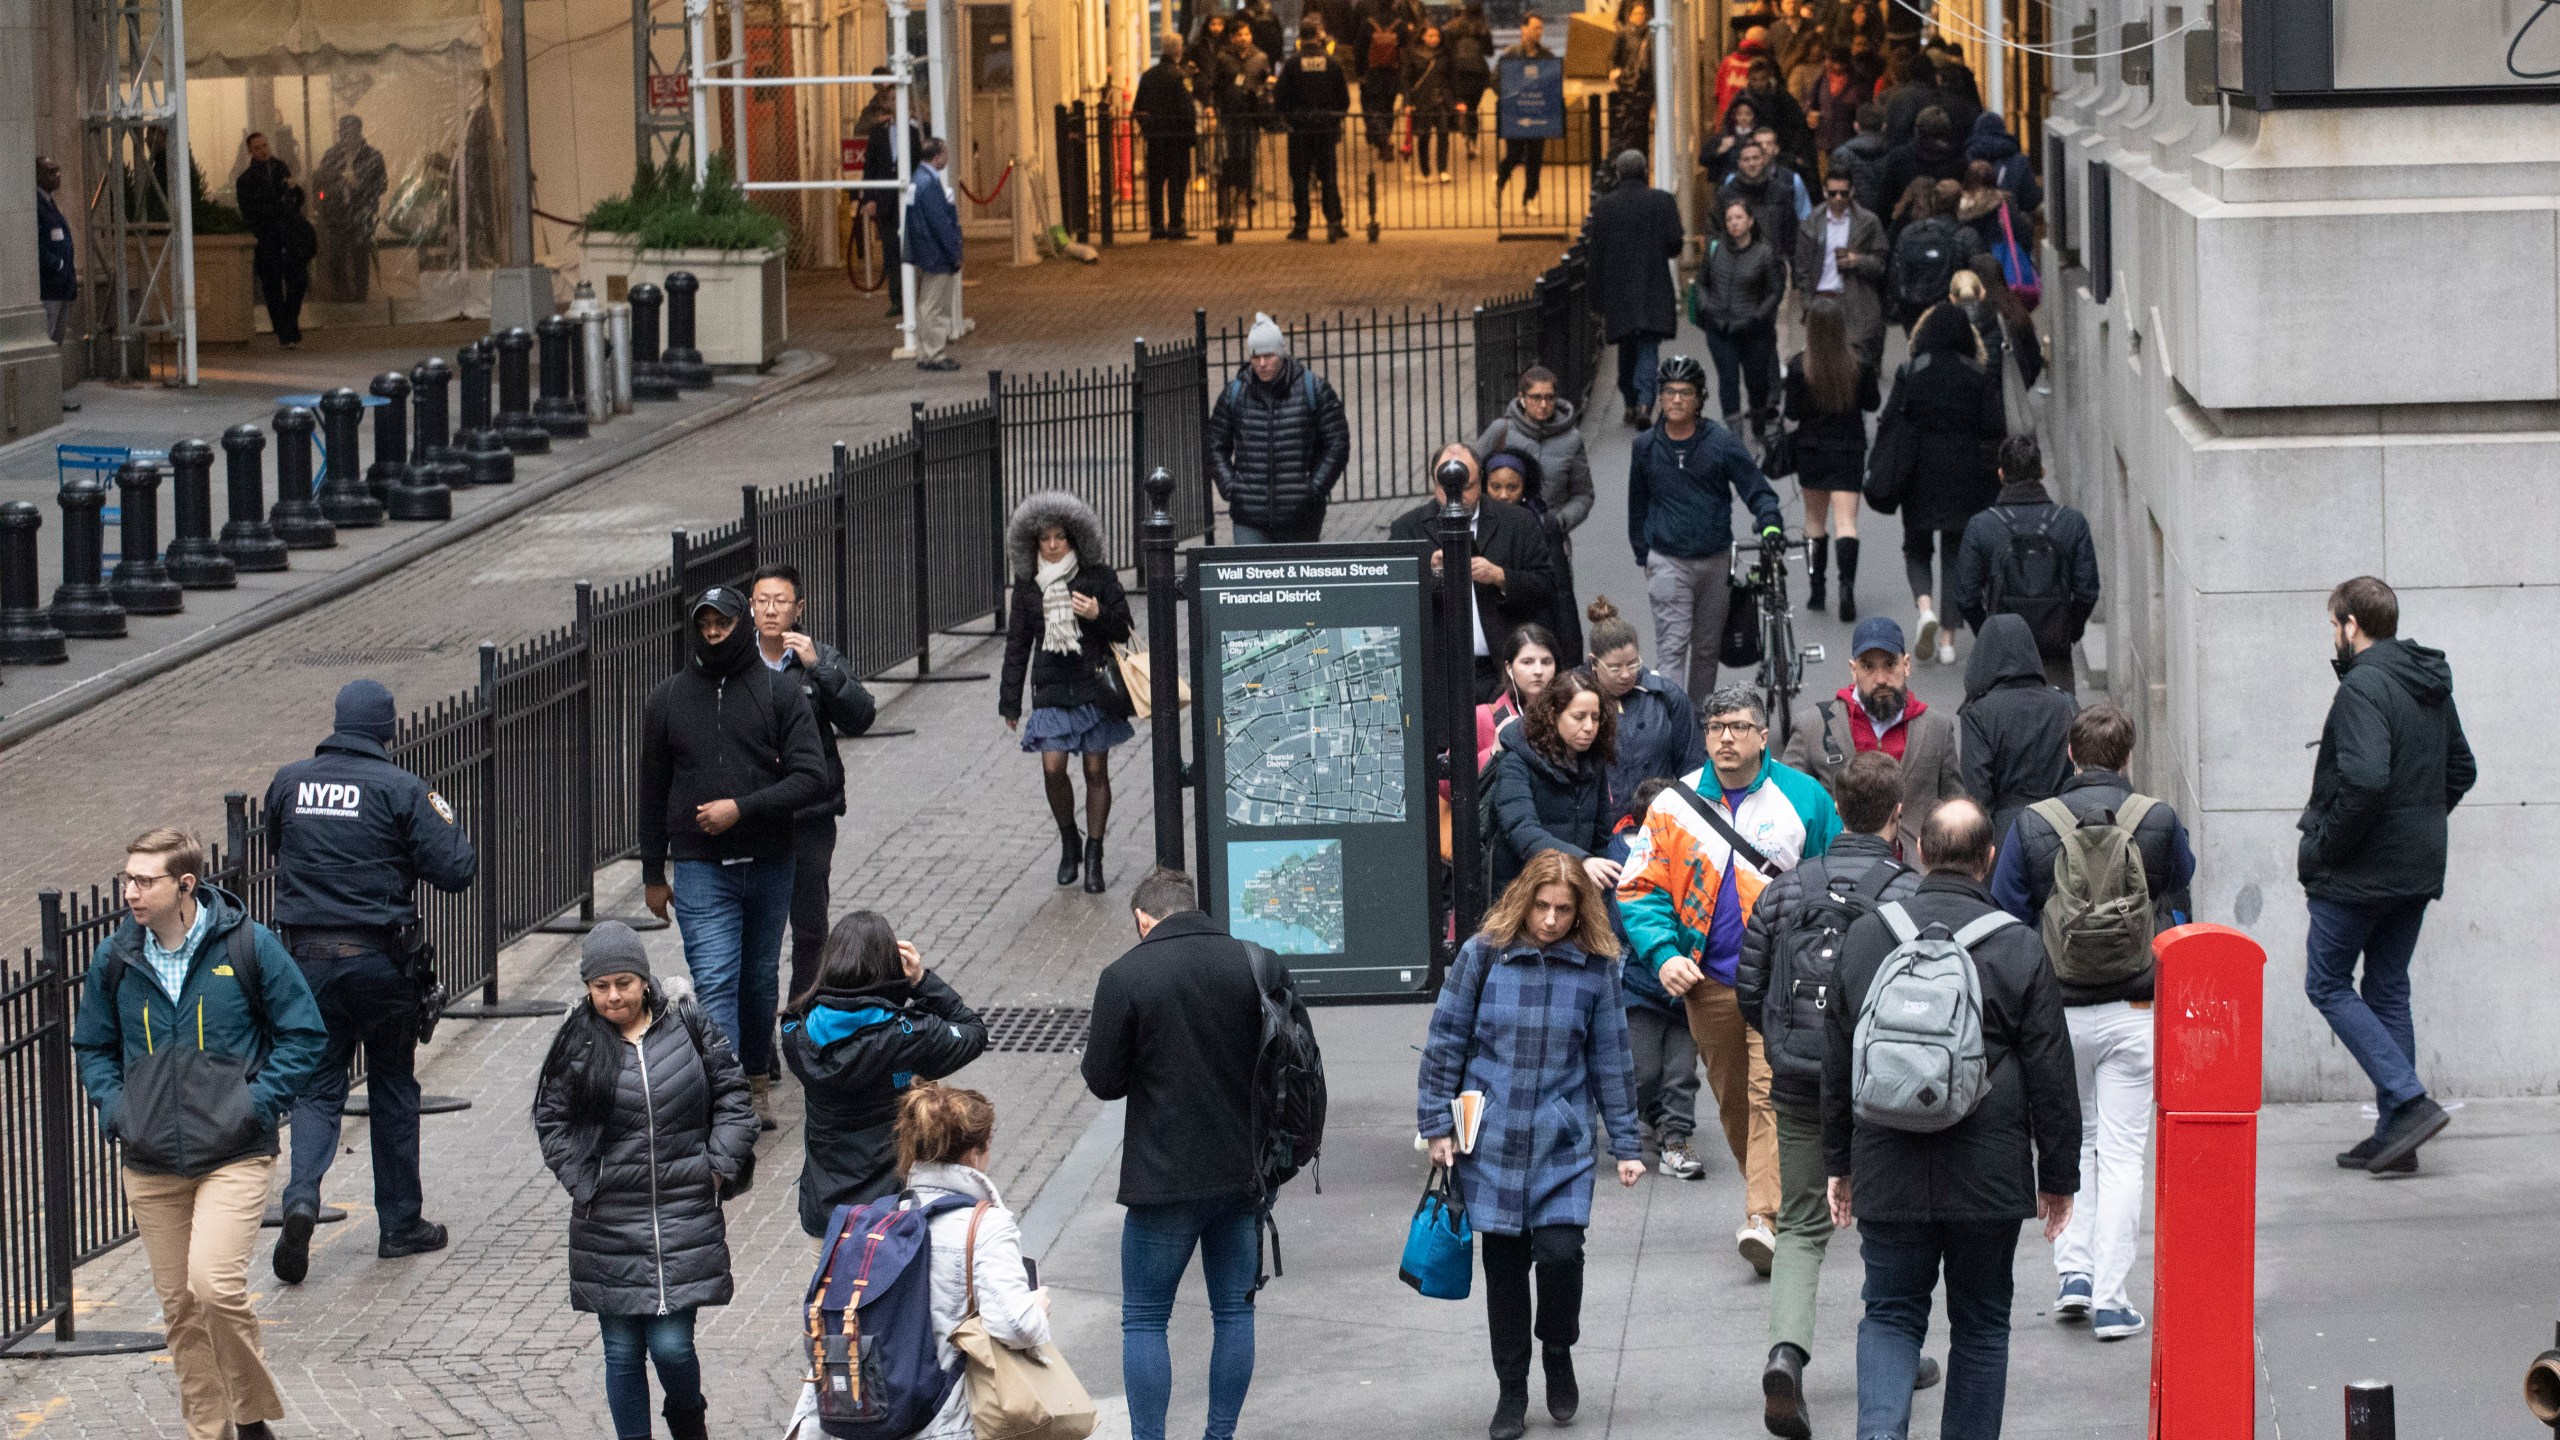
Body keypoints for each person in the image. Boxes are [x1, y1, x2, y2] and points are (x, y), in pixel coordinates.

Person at [1821, 797, 2079, 1440]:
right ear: (1988, 859)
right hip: (1988, 1170)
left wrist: (1840, 1163)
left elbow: (1838, 1059)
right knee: (1983, 1323)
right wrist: (2058, 1177)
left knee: (1890, 1313)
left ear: (1918, 852)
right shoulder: (2018, 944)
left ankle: (1880, 1433)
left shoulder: (1868, 936)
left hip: (1886, 1157)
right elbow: (2051, 1071)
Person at [71, 828, 327, 1440]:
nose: (130, 892)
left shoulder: (248, 945)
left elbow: (304, 1033)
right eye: (127, 879)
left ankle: (251, 1417)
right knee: (182, 1313)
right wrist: (118, 1110)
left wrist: (254, 1105)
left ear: (185, 885)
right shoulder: (115, 958)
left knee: (213, 1287)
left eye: (145, 881)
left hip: (233, 1153)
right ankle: (209, 1432)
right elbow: (93, 1045)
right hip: (151, 1161)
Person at [1738, 753, 1935, 1434]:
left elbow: (1749, 988)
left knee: (1799, 1225)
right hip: (1883, 1085)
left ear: (1837, 810)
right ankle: (1896, 1346)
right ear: (1897, 813)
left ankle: (1786, 1355)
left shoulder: (1787, 889)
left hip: (1800, 1078)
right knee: (1889, 1222)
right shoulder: (1908, 893)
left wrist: (1782, 1043)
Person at [1418, 851, 1645, 1440]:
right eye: (1542, 906)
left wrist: (1626, 1143)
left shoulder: (1596, 967)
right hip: (1491, 1139)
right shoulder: (1483, 955)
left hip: (1560, 1142)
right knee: (1505, 1269)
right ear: (1524, 900)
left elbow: (1612, 1058)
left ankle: (1558, 1348)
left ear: (1580, 911)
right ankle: (1512, 1388)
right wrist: (1437, 1125)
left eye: (1563, 910)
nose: (1549, 920)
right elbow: (1446, 1040)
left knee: (1562, 1255)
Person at [1619, 686, 1844, 1277]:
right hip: (1709, 983)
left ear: (1763, 736)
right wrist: (1662, 954)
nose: (1725, 737)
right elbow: (1640, 886)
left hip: (1783, 983)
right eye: (1716, 726)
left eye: (1739, 727)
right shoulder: (1675, 804)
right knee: (1735, 1101)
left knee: (1770, 1095)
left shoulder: (1804, 798)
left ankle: (1764, 1219)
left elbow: (1837, 877)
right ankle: (1780, 1199)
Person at [1987, 704, 2192, 1340]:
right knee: (2124, 1155)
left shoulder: (2032, 824)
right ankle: (2111, 1299)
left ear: (2070, 755)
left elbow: (2008, 912)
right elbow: (2179, 890)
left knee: (2072, 1143)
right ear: (2128, 757)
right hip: (2135, 1009)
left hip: (2058, 1014)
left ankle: (2073, 1274)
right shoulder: (2158, 820)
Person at [263, 678, 478, 1281]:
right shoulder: (402, 788)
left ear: (337, 722)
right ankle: (400, 1225)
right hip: (381, 963)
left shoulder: (289, 782)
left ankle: (302, 1198)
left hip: (305, 961)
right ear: (388, 730)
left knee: (316, 1086)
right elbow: (457, 869)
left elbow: (279, 847)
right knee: (391, 1084)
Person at [532, 924, 759, 1440]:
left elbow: (733, 1095)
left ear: (644, 979)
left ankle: (688, 1420)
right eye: (601, 986)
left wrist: (716, 1167)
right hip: (608, 1224)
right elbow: (552, 1121)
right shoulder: (577, 1042)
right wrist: (585, 1181)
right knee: (622, 1352)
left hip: (684, 1215)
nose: (614, 996)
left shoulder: (686, 1021)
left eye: (624, 983)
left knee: (672, 1347)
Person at [1083, 867, 1270, 1440]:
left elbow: (1104, 1081)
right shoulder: (1256, 963)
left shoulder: (1125, 976)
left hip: (1161, 1178)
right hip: (1241, 1173)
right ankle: (1220, 1435)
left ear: (1144, 919)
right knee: (1234, 1313)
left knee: (1144, 1319)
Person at [2298, 576, 2475, 1175]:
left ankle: (2408, 1099)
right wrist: (2417, 825)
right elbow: (2462, 769)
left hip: (2359, 872)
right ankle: (2397, 1135)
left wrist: (2324, 845)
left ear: (2352, 625)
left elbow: (2367, 780)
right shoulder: (2428, 681)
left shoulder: (2363, 687)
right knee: (2387, 987)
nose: (2333, 636)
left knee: (2326, 982)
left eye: (2334, 624)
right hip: (2416, 867)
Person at [638, 585, 832, 1100]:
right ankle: (730, 1096)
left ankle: (755, 1077)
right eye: (704, 625)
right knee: (715, 979)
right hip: (701, 867)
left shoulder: (779, 693)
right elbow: (652, 791)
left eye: (721, 624)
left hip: (770, 862)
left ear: (739, 623)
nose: (713, 633)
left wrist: (741, 808)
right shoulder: (668, 699)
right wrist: (653, 874)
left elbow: (812, 777)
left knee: (759, 980)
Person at [781, 911, 989, 1236]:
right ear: (890, 966)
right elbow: (973, 1032)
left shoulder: (796, 1032)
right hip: (892, 1222)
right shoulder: (912, 1036)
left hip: (826, 1219)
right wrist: (921, 981)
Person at [885, 1083, 1056, 1440]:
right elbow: (1015, 1325)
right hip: (943, 1419)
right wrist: (1037, 1307)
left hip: (880, 1409)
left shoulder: (886, 1219)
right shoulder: (986, 1226)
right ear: (973, 1155)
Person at [746, 564, 879, 1017]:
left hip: (810, 814)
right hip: (755, 816)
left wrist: (819, 670)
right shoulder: (738, 662)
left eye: (780, 602)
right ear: (751, 607)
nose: (771, 611)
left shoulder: (820, 657)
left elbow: (861, 717)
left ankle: (799, 1022)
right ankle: (757, 1033)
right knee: (757, 931)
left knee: (809, 928)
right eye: (762, 601)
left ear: (798, 609)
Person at [1624, 355, 1787, 709]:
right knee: (1673, 647)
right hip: (1668, 560)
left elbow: (1755, 488)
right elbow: (1637, 504)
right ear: (1660, 397)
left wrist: (1770, 521)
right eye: (1669, 392)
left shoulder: (1721, 442)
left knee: (1707, 648)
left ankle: (1699, 722)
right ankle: (1672, 724)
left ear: (1699, 398)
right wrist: (1644, 554)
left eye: (1685, 392)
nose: (1677, 399)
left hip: (1716, 561)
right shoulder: (1646, 447)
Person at [998, 490, 1136, 893]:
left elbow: (1124, 628)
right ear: (1034, 543)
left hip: (1094, 684)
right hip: (1051, 686)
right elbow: (1017, 645)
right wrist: (1010, 702)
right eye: (1045, 539)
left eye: (1060, 537)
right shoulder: (1028, 587)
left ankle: (1094, 855)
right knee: (1053, 768)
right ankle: (1068, 839)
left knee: (1095, 770)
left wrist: (1097, 613)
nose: (1053, 546)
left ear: (1074, 538)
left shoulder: (1098, 576)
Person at [1783, 616, 1964, 856]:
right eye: (1868, 667)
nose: (1880, 679)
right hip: (1840, 868)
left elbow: (1955, 807)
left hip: (1915, 868)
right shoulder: (1812, 726)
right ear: (1853, 670)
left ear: (1906, 665)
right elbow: (1786, 805)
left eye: (1890, 665)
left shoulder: (1937, 728)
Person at [1884, 304, 2004, 665]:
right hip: (1964, 473)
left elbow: (1890, 418)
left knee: (1916, 547)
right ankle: (1949, 641)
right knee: (1955, 552)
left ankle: (1925, 610)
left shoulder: (1911, 372)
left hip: (1918, 471)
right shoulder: (1977, 375)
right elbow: (1994, 427)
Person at [1389, 442, 1556, 701]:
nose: (1455, 496)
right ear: (1434, 484)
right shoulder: (1407, 528)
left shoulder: (1517, 522)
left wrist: (1499, 576)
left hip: (1501, 669)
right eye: (1446, 487)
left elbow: (1545, 584)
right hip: (1440, 673)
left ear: (1481, 482)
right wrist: (1430, 573)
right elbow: (1395, 599)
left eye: (1466, 487)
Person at [1605, 776, 1705, 1180]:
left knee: (1681, 1073)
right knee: (1642, 1070)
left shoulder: (1699, 854)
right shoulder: (1626, 859)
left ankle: (1676, 1139)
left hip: (1688, 985)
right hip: (1640, 983)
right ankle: (1632, 1127)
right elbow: (1624, 923)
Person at [1951, 436, 2101, 693]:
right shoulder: (2072, 523)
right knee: (2059, 715)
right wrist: (2067, 632)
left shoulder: (1981, 526)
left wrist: (1988, 634)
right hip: (2055, 654)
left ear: (2001, 474)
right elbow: (2087, 591)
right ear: (2042, 472)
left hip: (2002, 658)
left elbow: (1966, 596)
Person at [1475, 366, 1595, 662]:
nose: (1543, 404)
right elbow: (1473, 473)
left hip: (1549, 536)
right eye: (1536, 397)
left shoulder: (1571, 438)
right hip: (1502, 536)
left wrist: (1559, 521)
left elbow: (1583, 494)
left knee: (1555, 608)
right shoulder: (1501, 431)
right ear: (1521, 398)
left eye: (1549, 397)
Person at [1208, 313, 1351, 542]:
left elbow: (1337, 443)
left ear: (1281, 354)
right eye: (1256, 357)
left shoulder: (1313, 389)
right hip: (1249, 516)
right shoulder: (1235, 394)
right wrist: (1231, 487)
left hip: (1299, 516)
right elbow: (1215, 445)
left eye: (1269, 356)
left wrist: (1314, 489)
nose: (1262, 364)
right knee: (1250, 565)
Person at [1782, 301, 1880, 623]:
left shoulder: (1799, 366)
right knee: (1846, 522)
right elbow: (1872, 402)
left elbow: (1792, 412)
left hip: (1811, 450)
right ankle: (1846, 588)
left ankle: (1817, 589)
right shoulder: (1858, 363)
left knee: (1814, 521)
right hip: (1849, 448)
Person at [1484, 670, 1619, 894]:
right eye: (1579, 717)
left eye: (1595, 717)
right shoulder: (1517, 762)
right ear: (1553, 715)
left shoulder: (1593, 763)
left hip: (1574, 890)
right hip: (1521, 892)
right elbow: (1522, 831)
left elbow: (1601, 837)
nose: (1589, 727)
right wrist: (1581, 861)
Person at [1582, 596, 1703, 827]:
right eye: (1614, 668)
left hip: (1661, 822)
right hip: (1600, 827)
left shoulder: (1666, 695)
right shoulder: (1574, 699)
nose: (1626, 674)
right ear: (1594, 662)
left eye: (1632, 664)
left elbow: (1693, 766)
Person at [1585, 149, 1684, 427]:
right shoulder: (1663, 201)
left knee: (1627, 348)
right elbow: (1674, 244)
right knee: (1648, 348)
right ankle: (1644, 401)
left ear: (1618, 174)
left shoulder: (1605, 207)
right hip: (1653, 287)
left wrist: (1595, 300)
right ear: (1645, 171)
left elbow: (1596, 256)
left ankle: (1631, 400)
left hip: (1618, 291)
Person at [1959, 613, 2078, 846]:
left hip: (2005, 834)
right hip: (2062, 829)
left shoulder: (1978, 712)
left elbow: (1978, 790)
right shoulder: (2064, 703)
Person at [1694, 197, 1786, 435]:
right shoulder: (1715, 249)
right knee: (1728, 381)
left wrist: (1758, 316)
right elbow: (1702, 283)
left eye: (1739, 217)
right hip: (1720, 328)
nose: (1734, 223)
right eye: (1729, 219)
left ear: (1750, 221)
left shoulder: (1764, 252)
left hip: (1753, 330)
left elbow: (1775, 291)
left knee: (1756, 382)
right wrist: (1706, 306)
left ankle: (1758, 420)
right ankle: (1734, 437)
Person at [1792, 169, 1889, 370]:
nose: (1838, 198)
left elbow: (1881, 264)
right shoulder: (1811, 223)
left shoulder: (1868, 221)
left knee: (1857, 364)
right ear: (1824, 192)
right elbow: (1802, 268)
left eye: (1843, 193)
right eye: (1832, 193)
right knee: (1823, 367)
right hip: (1821, 300)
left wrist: (1858, 261)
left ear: (1852, 192)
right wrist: (1808, 303)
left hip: (1855, 301)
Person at [1274, 18, 1352, 242]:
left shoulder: (1292, 64)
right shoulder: (1332, 62)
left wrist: (1290, 118)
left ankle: (1302, 225)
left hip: (1299, 129)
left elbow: (1280, 97)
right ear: (1318, 36)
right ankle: (1334, 222)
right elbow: (1344, 98)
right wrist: (1335, 118)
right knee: (1328, 176)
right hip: (1326, 127)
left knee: (1300, 178)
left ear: (1300, 36)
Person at [235, 132, 311, 348]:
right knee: (272, 286)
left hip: (289, 235)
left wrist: (294, 190)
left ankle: (288, 323)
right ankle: (285, 332)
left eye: (264, 145)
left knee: (298, 280)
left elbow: (298, 200)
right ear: (250, 151)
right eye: (257, 148)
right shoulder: (246, 180)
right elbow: (250, 212)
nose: (262, 151)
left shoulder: (281, 168)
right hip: (267, 239)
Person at [311, 114, 386, 303]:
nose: (347, 136)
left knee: (360, 258)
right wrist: (334, 188)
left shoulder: (372, 156)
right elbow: (321, 181)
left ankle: (360, 299)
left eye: (351, 132)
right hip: (336, 214)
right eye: (344, 132)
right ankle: (341, 298)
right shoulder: (332, 155)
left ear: (359, 132)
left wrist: (360, 185)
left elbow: (382, 185)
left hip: (361, 213)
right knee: (336, 258)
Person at [906, 137, 966, 371]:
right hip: (936, 252)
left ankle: (925, 352)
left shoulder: (918, 178)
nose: (947, 157)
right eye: (945, 153)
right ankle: (935, 354)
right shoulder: (930, 183)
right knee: (936, 306)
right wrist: (954, 251)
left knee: (926, 304)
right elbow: (939, 222)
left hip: (924, 251)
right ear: (937, 156)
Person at [1134, 38, 1198, 239]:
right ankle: (1176, 224)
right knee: (1177, 181)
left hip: (1155, 137)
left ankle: (1157, 226)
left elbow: (1138, 108)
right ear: (1178, 51)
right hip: (1177, 137)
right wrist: (1191, 135)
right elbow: (1187, 109)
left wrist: (1147, 127)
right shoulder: (1180, 76)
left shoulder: (1148, 76)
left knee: (1156, 181)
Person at [1478, 621, 1559, 767]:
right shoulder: (1483, 716)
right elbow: (1447, 776)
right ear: (1509, 667)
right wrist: (1493, 752)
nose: (1538, 671)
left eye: (1546, 662)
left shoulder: (1567, 715)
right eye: (1527, 662)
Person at [1495, 16, 1554, 214]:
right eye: (1535, 28)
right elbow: (1495, 80)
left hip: (1537, 113)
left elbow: (1552, 82)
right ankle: (1500, 182)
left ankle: (1529, 199)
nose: (1539, 32)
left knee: (1535, 159)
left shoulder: (1546, 56)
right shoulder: (1511, 54)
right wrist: (1511, 96)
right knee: (1514, 155)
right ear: (1523, 28)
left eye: (1541, 28)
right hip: (1515, 114)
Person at [1879, 106, 1969, 225]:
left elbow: (1884, 201)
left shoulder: (1898, 159)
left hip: (1904, 227)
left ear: (1917, 130)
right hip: (1948, 228)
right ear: (1946, 131)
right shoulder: (1959, 163)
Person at [1403, 24, 1456, 180]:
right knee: (1423, 136)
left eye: (1437, 36)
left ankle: (1442, 170)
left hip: (1441, 99)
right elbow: (1407, 80)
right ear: (1423, 36)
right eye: (1430, 35)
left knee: (1443, 133)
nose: (1434, 39)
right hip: (1421, 100)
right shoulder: (1413, 54)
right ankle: (1425, 170)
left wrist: (1457, 99)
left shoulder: (1445, 54)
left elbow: (1453, 78)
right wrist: (1408, 102)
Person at [1358, 2, 1407, 161]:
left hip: (1372, 73)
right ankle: (1385, 137)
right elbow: (1405, 50)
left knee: (1373, 108)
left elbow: (1360, 49)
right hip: (1393, 73)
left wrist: (1360, 72)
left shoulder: (1368, 23)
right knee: (1388, 107)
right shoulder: (1400, 24)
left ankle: (1383, 140)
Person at [1966, 111, 2041, 213]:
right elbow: (2030, 200)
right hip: (2010, 218)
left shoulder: (1967, 159)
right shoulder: (2020, 161)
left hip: (1975, 219)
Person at [1447, 0, 1495, 157]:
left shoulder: (1452, 26)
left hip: (1457, 70)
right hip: (1477, 71)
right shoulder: (1482, 27)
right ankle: (1472, 141)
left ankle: (1464, 129)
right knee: (1473, 108)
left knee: (1462, 104)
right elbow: (1490, 52)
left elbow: (1447, 48)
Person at [1831, 102, 1892, 219]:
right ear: (1884, 126)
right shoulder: (1894, 154)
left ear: (1856, 126)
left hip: (1852, 217)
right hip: (1886, 217)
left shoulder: (1841, 154)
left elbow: (1836, 193)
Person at [1610, 4, 1656, 159]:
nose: (1640, 17)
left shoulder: (1649, 35)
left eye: (1642, 14)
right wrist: (1616, 73)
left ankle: (1642, 160)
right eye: (1636, 13)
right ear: (1630, 16)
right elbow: (1614, 58)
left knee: (1642, 130)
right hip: (1628, 86)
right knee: (1628, 129)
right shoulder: (1623, 34)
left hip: (1644, 87)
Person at [37, 157, 75, 345]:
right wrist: (56, 265)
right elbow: (37, 245)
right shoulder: (37, 205)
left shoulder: (51, 203)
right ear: (38, 176)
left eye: (57, 171)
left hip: (62, 285)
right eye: (51, 172)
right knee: (49, 336)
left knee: (58, 336)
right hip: (50, 285)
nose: (57, 176)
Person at [1808, 48, 1864, 161]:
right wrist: (1810, 114)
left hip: (1846, 141)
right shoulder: (1823, 79)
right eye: (1827, 60)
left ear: (1845, 63)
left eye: (1834, 61)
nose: (1828, 64)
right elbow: (1811, 102)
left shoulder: (1856, 83)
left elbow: (1861, 113)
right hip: (1823, 140)